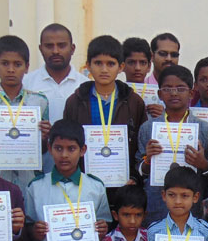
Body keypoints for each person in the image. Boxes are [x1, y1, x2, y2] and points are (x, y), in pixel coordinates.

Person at [136, 65, 208, 224]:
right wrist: (148, 160)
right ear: (159, 94)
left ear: (191, 93)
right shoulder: (148, 128)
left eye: (180, 88)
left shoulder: (204, 129)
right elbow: (139, 169)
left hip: (193, 204)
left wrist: (203, 164)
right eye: (167, 89)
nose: (174, 93)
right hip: (157, 201)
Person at [62, 34, 148, 188]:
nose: (104, 69)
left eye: (110, 64)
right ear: (88, 66)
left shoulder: (134, 102)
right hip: (85, 183)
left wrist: (135, 177)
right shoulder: (75, 102)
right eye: (98, 63)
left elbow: (140, 146)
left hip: (124, 184)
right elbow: (68, 142)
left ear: (120, 67)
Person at [0, 35, 51, 189]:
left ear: (27, 67)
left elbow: (43, 149)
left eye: (17, 64)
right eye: (5, 63)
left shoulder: (39, 101)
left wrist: (45, 137)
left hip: (30, 181)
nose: (11, 70)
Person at [22, 23, 88, 123]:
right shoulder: (26, 84)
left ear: (72, 49)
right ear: (41, 49)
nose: (55, 51)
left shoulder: (85, 86)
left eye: (61, 45)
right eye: (49, 46)